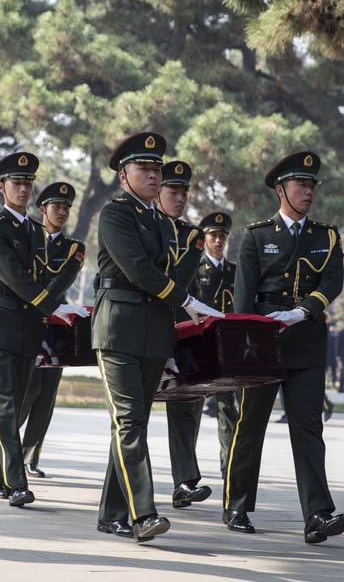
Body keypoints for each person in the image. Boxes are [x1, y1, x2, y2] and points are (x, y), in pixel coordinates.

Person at [92, 132, 220, 542]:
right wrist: (186, 300)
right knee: (129, 421)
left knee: (133, 423)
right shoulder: (116, 214)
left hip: (153, 330)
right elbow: (140, 270)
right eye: (144, 168)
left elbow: (173, 271)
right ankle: (143, 513)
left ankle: (111, 513)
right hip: (117, 328)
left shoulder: (160, 221)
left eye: (156, 169)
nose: (152, 175)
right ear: (123, 174)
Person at [223, 150, 344, 545]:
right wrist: (242, 348)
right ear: (281, 190)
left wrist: (306, 310)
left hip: (307, 341)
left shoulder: (325, 236)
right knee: (250, 426)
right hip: (262, 343)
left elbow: (332, 281)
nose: (309, 192)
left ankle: (317, 514)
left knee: (309, 428)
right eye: (301, 185)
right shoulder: (257, 236)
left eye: (312, 186)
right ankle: (237, 504)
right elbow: (243, 301)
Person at [0, 152, 88, 508]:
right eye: (16, 183)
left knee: (17, 406)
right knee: (6, 406)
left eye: (27, 183)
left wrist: (51, 305)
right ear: (1, 187)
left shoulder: (36, 233)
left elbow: (46, 276)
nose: (23, 189)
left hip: (28, 326)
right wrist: (53, 305)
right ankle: (15, 481)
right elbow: (13, 274)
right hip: (1, 323)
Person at [155, 161, 212, 509]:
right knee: (131, 416)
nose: (179, 198)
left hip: (178, 328)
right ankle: (125, 486)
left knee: (186, 405)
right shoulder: (136, 226)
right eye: (172, 191)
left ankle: (185, 482)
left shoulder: (191, 236)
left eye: (183, 193)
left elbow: (176, 279)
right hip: (138, 327)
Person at [20, 182, 85, 478]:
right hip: (27, 321)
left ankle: (31, 456)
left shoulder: (74, 249)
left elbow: (62, 283)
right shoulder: (27, 239)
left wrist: (42, 301)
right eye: (56, 207)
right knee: (26, 389)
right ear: (42, 209)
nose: (61, 212)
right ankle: (7, 453)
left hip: (56, 324)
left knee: (46, 394)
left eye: (66, 208)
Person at [193, 211, 240, 481]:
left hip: (227, 345)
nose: (219, 240)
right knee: (194, 407)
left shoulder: (234, 271)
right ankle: (188, 474)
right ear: (204, 238)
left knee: (227, 407)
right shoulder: (196, 270)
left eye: (223, 236)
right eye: (214, 236)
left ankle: (228, 466)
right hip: (200, 344)